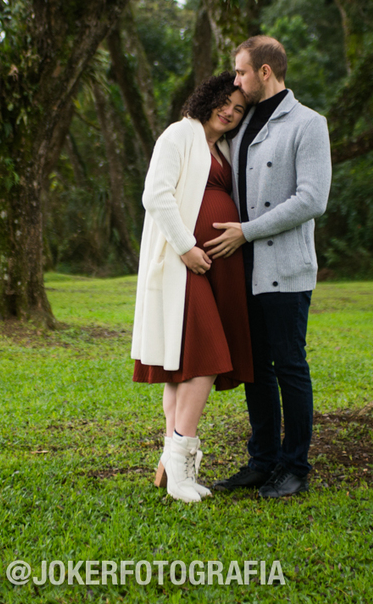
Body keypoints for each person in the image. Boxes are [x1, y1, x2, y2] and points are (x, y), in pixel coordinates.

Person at [205, 36, 331, 499]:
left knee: (290, 366)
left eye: (239, 72)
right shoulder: (237, 126)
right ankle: (262, 461)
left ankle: (295, 466)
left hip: (285, 266)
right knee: (256, 369)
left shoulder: (308, 123)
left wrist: (247, 230)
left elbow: (312, 199)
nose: (234, 80)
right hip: (243, 271)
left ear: (264, 71)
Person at [131, 72, 253, 503]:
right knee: (204, 357)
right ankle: (182, 461)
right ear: (209, 97)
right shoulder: (179, 134)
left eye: (239, 109)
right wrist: (186, 247)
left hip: (212, 267)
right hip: (185, 265)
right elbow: (156, 195)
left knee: (180, 364)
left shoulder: (217, 147)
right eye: (225, 102)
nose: (230, 112)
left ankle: (171, 458)